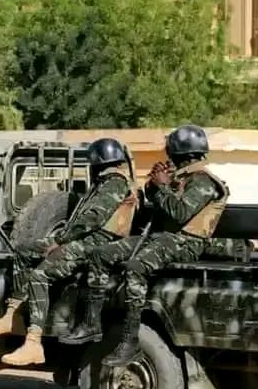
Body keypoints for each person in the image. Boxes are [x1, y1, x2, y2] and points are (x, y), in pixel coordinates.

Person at [60, 125, 230, 367]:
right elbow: (158, 202)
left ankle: (130, 341)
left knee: (135, 268)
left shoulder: (204, 180)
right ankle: (91, 323)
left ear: (179, 153)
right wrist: (154, 183)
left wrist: (162, 186)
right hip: (163, 237)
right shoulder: (182, 177)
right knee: (100, 255)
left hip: (187, 242)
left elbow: (180, 213)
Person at [0, 137, 139, 366]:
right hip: (84, 238)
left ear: (97, 163)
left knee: (39, 276)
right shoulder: (106, 182)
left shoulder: (115, 182)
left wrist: (60, 239)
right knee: (24, 251)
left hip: (95, 242)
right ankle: (12, 314)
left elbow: (94, 219)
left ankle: (33, 343)